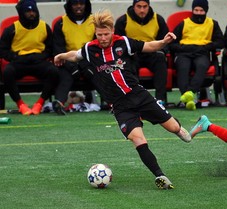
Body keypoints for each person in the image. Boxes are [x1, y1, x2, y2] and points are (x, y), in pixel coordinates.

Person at [54, 9, 192, 189]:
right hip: (120, 106)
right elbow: (75, 55)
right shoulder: (90, 49)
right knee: (138, 140)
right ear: (95, 33)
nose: (103, 38)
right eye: (99, 34)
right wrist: (61, 56)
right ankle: (160, 176)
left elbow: (149, 46)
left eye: (106, 34)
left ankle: (187, 128)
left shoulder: (123, 43)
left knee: (175, 129)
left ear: (112, 31)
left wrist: (164, 42)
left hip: (139, 96)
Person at [0, 0, 59, 115]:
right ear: (22, 13)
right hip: (19, 62)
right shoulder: (12, 29)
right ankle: (21, 105)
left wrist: (42, 56)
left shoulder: (44, 27)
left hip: (38, 61)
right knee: (7, 72)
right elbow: (2, 50)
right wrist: (14, 57)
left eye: (33, 11)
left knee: (54, 71)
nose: (31, 13)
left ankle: (39, 103)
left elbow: (51, 49)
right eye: (28, 11)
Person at [169, 0, 224, 110]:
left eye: (201, 10)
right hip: (184, 52)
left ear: (206, 11)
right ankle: (188, 98)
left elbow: (220, 42)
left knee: (202, 65)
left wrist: (206, 47)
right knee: (183, 67)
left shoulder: (213, 24)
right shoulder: (184, 23)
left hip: (202, 52)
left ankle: (188, 94)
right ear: (192, 10)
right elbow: (171, 43)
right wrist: (184, 48)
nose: (198, 13)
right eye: (196, 10)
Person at [114, 0, 169, 105]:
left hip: (152, 52)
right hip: (133, 53)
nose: (142, 10)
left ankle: (160, 100)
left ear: (149, 7)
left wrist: (162, 51)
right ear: (133, 7)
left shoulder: (158, 19)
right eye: (139, 7)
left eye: (145, 7)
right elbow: (117, 44)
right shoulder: (123, 20)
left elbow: (166, 41)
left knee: (161, 59)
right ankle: (133, 100)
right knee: (128, 64)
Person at [52, 0, 100, 115]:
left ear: (86, 5)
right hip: (68, 61)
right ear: (69, 5)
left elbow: (100, 45)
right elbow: (58, 50)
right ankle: (59, 103)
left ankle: (112, 103)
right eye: (75, 4)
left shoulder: (95, 21)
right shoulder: (61, 23)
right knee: (65, 75)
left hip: (89, 60)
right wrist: (71, 66)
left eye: (81, 3)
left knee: (98, 72)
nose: (78, 6)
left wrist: (88, 62)